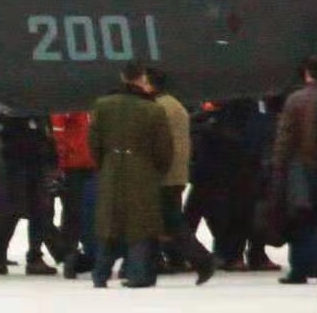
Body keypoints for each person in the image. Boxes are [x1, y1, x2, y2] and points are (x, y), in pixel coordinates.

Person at [90, 62, 173, 289]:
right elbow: (164, 149)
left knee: (109, 223)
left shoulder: (103, 105)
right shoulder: (153, 109)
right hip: (142, 170)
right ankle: (138, 274)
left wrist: (105, 164)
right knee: (140, 224)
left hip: (111, 167)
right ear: (142, 78)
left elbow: (94, 142)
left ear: (122, 77)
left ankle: (100, 273)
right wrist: (157, 170)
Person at [0, 111, 64, 275]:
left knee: (30, 214)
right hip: (19, 170)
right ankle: (24, 256)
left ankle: (3, 253)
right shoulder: (15, 117)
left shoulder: (35, 116)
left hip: (30, 169)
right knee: (21, 214)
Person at [148, 67, 215, 285]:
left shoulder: (158, 108)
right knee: (168, 220)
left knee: (171, 222)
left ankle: (202, 259)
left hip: (164, 174)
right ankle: (163, 260)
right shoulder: (175, 105)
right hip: (176, 173)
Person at [271, 55, 317, 285]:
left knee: (300, 220)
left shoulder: (296, 99)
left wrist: (279, 166)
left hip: (301, 168)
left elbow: (285, 137)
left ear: (307, 73)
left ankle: (300, 269)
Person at [50, 110, 98, 279]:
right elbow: (58, 133)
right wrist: (62, 161)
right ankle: (70, 254)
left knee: (80, 212)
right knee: (73, 212)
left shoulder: (85, 109)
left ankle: (76, 253)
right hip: (74, 166)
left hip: (86, 163)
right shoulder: (70, 108)